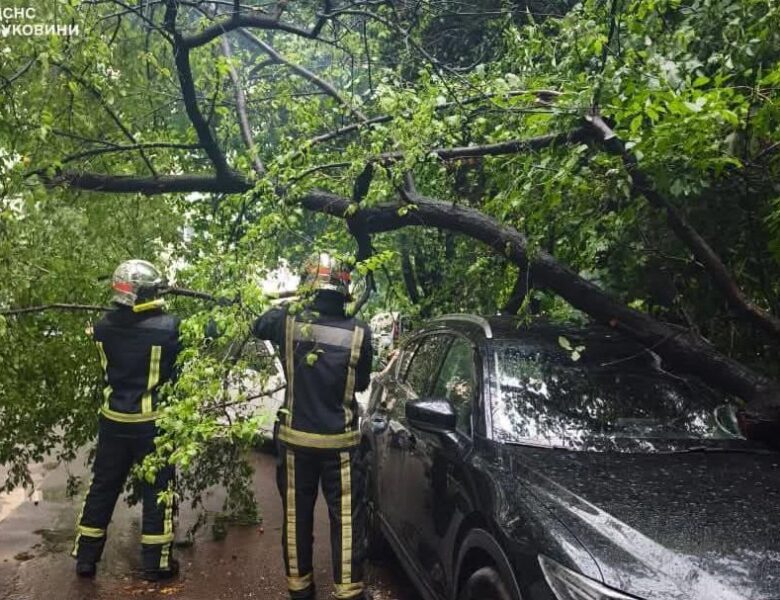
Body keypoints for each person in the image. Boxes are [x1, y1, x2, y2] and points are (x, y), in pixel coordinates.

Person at [253, 252, 373, 600]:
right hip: (341, 443)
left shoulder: (287, 321)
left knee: (296, 517)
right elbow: (362, 383)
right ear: (345, 289)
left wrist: (292, 301)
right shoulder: (360, 333)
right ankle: (349, 592)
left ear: (309, 285)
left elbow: (256, 325)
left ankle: (300, 590)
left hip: (295, 442)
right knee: (347, 521)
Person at [72, 259, 181, 581]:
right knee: (158, 490)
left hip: (114, 420)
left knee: (102, 487)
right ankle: (156, 563)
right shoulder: (170, 327)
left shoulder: (102, 327)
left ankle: (86, 558)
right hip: (153, 423)